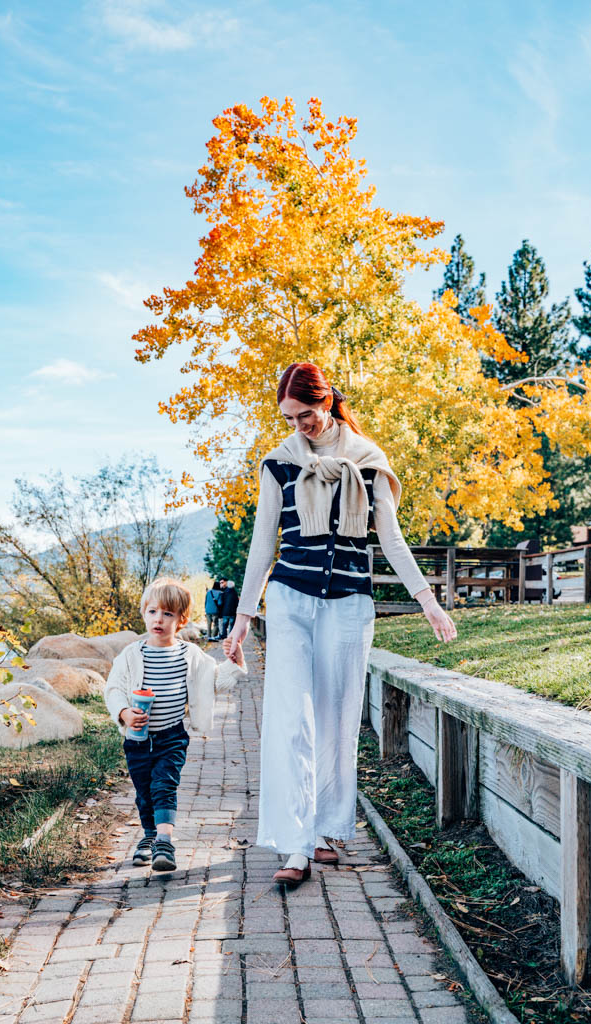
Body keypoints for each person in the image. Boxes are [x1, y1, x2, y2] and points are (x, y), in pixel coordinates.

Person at [223, 362, 456, 886]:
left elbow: (390, 541)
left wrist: (428, 601)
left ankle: (329, 828)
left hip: (349, 601)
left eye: (305, 414)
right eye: (289, 417)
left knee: (339, 715)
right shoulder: (278, 465)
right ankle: (295, 844)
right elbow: (263, 544)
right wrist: (242, 618)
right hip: (290, 598)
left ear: (326, 403)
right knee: (291, 719)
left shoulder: (368, 462)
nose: (298, 425)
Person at [105, 577, 247, 871]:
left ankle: (165, 842)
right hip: (137, 738)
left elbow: (216, 683)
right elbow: (114, 689)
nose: (159, 619)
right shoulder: (132, 655)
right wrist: (124, 713)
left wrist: (235, 661)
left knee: (164, 786)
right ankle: (148, 837)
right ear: (144, 613)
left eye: (168, 614)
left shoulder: (190, 655)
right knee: (144, 792)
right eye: (153, 612)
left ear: (181, 620)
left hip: (171, 737)